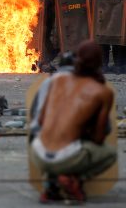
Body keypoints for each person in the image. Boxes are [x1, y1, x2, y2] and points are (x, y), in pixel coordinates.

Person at [30, 40, 116, 203]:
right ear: (99, 64)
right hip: (67, 158)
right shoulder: (102, 92)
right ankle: (71, 180)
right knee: (110, 154)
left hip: (38, 154)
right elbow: (99, 138)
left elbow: (39, 121)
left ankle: (52, 182)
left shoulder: (55, 80)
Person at [97, 0, 125, 74]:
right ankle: (104, 64)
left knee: (118, 37)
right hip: (104, 11)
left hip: (119, 12)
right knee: (103, 37)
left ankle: (119, 64)